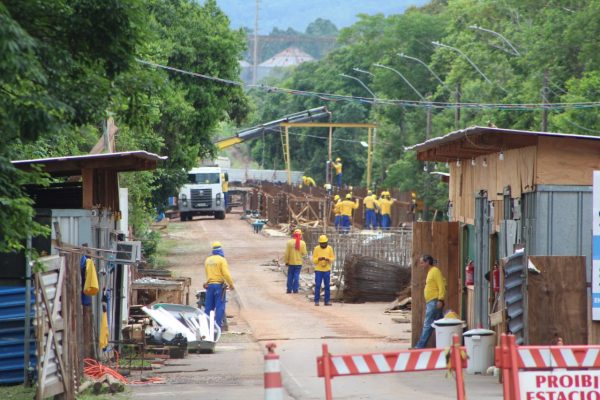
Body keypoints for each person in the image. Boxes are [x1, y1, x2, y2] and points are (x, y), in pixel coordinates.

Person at [415, 254, 446, 349]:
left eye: (422, 263)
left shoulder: (435, 271)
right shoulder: (431, 272)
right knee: (441, 324)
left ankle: (419, 347)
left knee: (427, 325)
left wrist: (441, 299)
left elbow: (441, 285)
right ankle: (445, 344)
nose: (421, 265)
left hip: (434, 302)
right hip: (432, 302)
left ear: (427, 262)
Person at [203, 241, 235, 329]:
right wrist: (231, 284)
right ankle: (217, 327)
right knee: (220, 306)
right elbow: (226, 274)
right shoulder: (222, 260)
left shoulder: (207, 260)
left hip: (209, 286)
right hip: (219, 286)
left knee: (208, 306)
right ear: (221, 249)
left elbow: (207, 273)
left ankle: (207, 327)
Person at [312, 235, 335, 306]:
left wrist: (328, 259)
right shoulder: (316, 249)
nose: (323, 244)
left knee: (327, 286)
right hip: (318, 270)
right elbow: (314, 260)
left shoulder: (330, 248)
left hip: (327, 270)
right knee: (318, 285)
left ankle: (327, 301)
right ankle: (316, 301)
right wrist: (318, 259)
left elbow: (333, 258)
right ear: (319, 243)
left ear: (327, 242)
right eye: (322, 243)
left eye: (324, 243)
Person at [284, 229, 307, 293]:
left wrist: (286, 261)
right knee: (296, 275)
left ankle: (289, 289)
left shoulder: (289, 242)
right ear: (300, 235)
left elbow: (287, 253)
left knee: (290, 276)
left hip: (291, 262)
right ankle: (295, 289)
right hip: (299, 263)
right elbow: (304, 253)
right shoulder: (302, 243)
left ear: (294, 234)